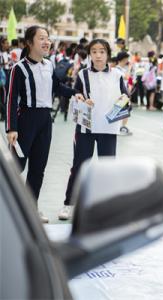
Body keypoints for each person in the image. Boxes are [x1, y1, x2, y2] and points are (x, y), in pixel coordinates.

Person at [5, 26, 84, 223]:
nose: (46, 42)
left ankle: (31, 208)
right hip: (25, 121)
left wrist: (76, 93)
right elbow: (11, 99)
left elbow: (57, 88)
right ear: (29, 43)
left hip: (45, 121)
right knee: (16, 167)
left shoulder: (49, 65)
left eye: (47, 38)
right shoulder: (19, 68)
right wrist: (11, 128)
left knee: (38, 168)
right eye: (41, 38)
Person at [58, 39, 129, 221]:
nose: (98, 55)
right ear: (90, 54)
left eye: (102, 51)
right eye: (94, 51)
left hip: (108, 129)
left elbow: (125, 100)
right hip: (85, 129)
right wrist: (81, 101)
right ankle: (68, 205)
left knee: (108, 168)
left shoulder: (117, 75)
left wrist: (115, 111)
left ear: (108, 54)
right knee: (79, 166)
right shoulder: (82, 75)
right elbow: (75, 98)